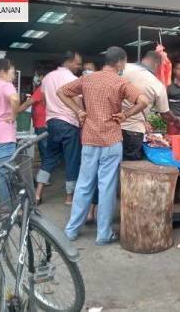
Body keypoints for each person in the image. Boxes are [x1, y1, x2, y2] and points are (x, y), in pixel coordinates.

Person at [59, 47, 149, 245]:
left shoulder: (88, 79)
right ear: (120, 62)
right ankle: (103, 234)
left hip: (90, 138)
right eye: (124, 63)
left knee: (84, 184)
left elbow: (62, 92)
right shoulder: (121, 81)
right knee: (106, 186)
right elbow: (143, 100)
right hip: (111, 140)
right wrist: (126, 115)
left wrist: (78, 112)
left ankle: (72, 230)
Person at [121, 51, 180, 160]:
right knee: (129, 167)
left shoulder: (123, 68)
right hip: (133, 131)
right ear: (157, 64)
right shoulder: (157, 85)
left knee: (110, 165)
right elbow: (165, 114)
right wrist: (176, 119)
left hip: (111, 127)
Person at [38, 51, 83, 205]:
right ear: (68, 62)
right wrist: (82, 116)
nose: (79, 66)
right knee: (72, 160)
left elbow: (43, 100)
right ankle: (69, 197)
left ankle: (38, 193)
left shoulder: (48, 78)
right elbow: (77, 101)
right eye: (77, 63)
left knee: (49, 157)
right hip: (69, 123)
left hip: (52, 123)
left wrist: (53, 110)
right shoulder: (72, 79)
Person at [17, 68, 48, 168]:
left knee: (44, 150)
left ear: (42, 77)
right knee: (44, 149)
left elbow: (27, 104)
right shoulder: (41, 88)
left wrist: (14, 112)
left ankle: (45, 174)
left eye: (36, 75)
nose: (35, 77)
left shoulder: (42, 88)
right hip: (40, 123)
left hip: (42, 124)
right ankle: (45, 172)